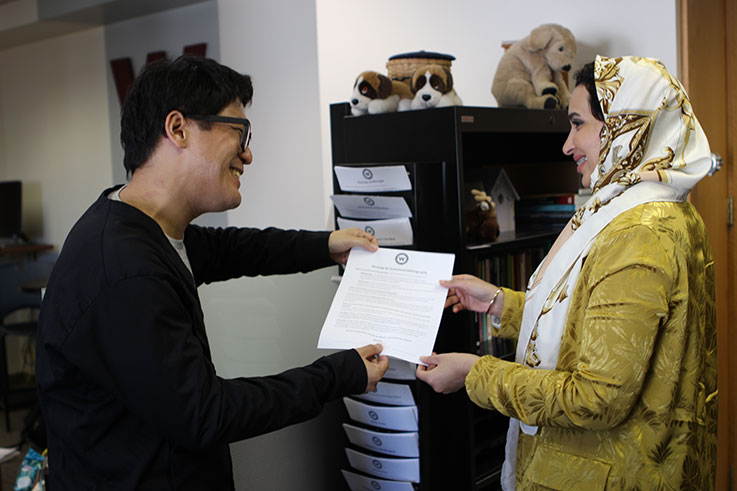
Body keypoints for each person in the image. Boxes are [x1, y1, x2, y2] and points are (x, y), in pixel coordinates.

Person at [35, 55, 389, 490]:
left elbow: (232, 249)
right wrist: (339, 374)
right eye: (239, 133)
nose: (248, 154)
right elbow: (205, 413)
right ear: (178, 128)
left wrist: (324, 245)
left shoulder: (140, 225)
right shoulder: (126, 271)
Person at [416, 56, 717, 490]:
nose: (567, 144)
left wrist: (475, 373)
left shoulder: (640, 233)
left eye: (578, 124)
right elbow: (595, 322)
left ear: (622, 124)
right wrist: (501, 303)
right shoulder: (642, 209)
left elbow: (597, 397)